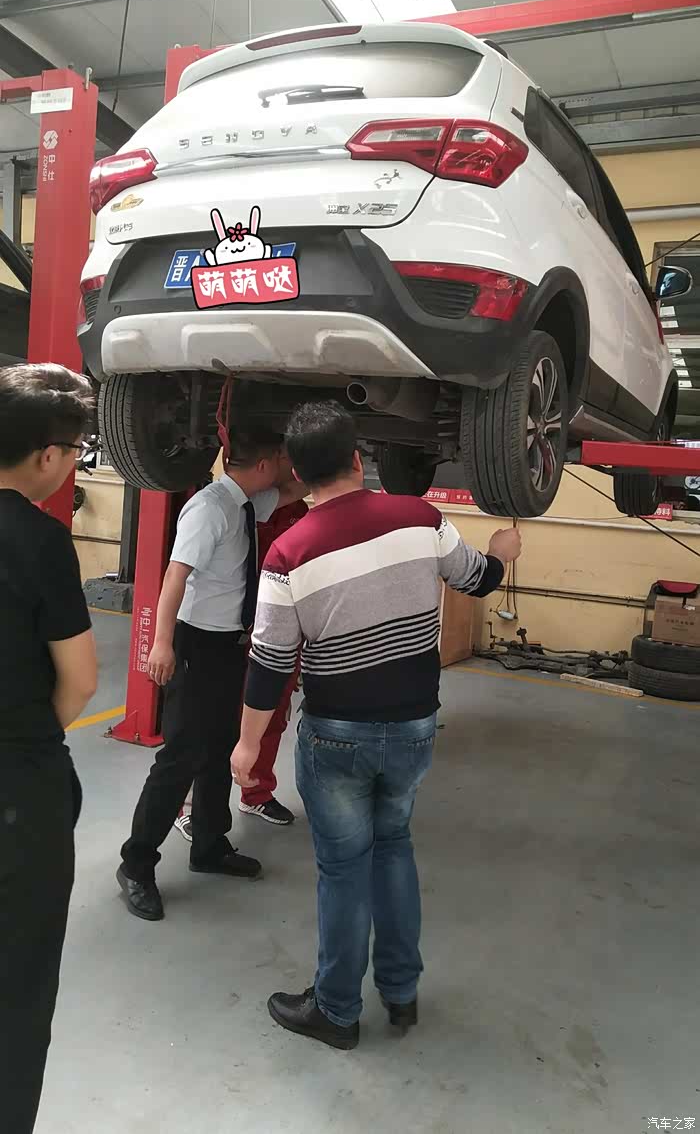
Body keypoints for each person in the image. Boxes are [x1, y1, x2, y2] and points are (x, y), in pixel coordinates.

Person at [232, 401, 521, 1050]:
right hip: (413, 728)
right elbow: (478, 578)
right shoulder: (421, 519)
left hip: (336, 735)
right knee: (394, 848)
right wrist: (503, 553)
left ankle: (337, 1011)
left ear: (298, 475)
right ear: (358, 459)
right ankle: (400, 990)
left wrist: (249, 744)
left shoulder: (288, 551)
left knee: (343, 870)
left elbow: (270, 662)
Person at [117, 428, 304, 921]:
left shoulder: (247, 502)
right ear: (263, 464)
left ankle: (209, 844)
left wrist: (328, 456)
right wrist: (161, 643)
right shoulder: (210, 508)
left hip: (227, 645)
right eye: (281, 458)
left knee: (220, 746)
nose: (284, 467)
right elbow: (174, 575)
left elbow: (295, 489)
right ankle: (136, 864)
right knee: (180, 756)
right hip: (194, 644)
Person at [0, 363, 97, 1133]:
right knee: (17, 993)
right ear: (45, 455)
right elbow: (80, 680)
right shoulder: (40, 539)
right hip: (18, 793)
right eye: (72, 453)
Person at [174, 496, 307, 839]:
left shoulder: (301, 512)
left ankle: (256, 793)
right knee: (210, 723)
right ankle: (186, 805)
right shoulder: (245, 506)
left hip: (280, 629)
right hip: (229, 631)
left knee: (272, 716)